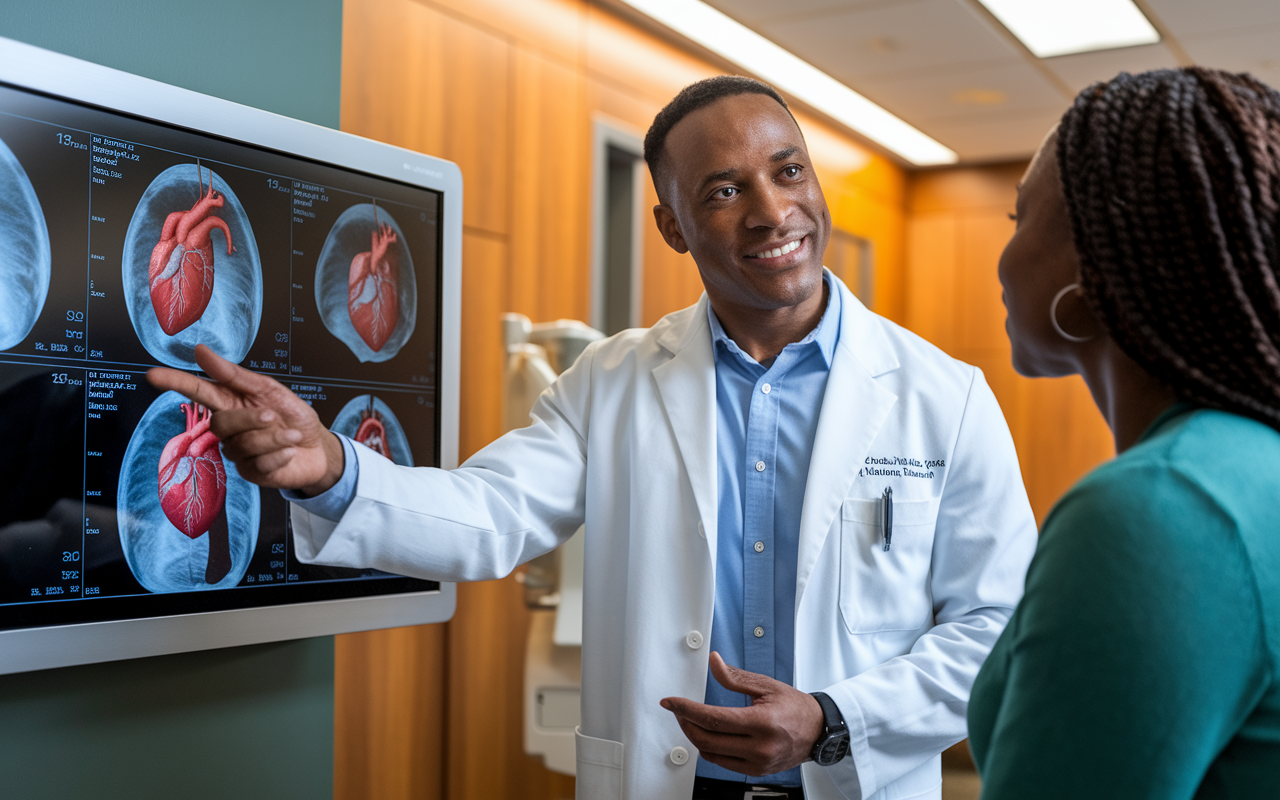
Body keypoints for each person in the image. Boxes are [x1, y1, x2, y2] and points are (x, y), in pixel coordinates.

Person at [150, 76, 1037, 800]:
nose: (773, 212)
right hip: (668, 783)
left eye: (789, 171)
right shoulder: (612, 383)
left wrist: (833, 718)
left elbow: (998, 626)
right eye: (724, 192)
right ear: (672, 227)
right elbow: (490, 513)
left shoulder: (943, 398)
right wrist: (334, 469)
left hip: (851, 778)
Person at [969, 67, 1280, 798]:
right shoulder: (1250, 465)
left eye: (1019, 221)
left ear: (1097, 270)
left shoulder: (1157, 510)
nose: (1003, 262)